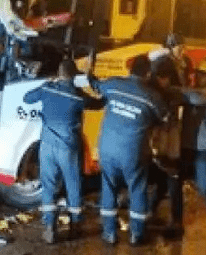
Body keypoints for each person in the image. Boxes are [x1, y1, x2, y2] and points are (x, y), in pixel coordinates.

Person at [85, 55, 169, 246]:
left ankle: (109, 233)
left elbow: (95, 85)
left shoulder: (114, 84)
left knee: (109, 187)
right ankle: (136, 235)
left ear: (130, 70)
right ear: (148, 74)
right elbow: (164, 118)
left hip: (107, 148)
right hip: (134, 151)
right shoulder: (152, 97)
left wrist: (89, 70)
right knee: (137, 188)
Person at [23, 59, 89, 244]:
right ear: (74, 76)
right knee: (73, 184)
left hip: (47, 146)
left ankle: (49, 228)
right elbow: (97, 103)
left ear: (59, 74)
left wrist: (47, 83)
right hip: (68, 147)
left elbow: (27, 98)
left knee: (49, 185)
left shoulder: (47, 89)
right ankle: (75, 226)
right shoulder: (78, 97)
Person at [178, 59, 206, 237]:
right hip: (186, 145)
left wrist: (179, 89)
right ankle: (174, 219)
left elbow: (194, 98)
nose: (198, 76)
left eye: (202, 74)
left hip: (202, 148)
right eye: (197, 73)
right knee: (173, 181)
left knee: (204, 186)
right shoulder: (194, 91)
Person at [147, 55, 185, 237]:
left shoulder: (168, 93)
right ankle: (154, 212)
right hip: (164, 142)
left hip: (168, 143)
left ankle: (175, 220)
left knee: (171, 179)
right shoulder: (166, 93)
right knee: (165, 181)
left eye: (165, 77)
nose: (164, 81)